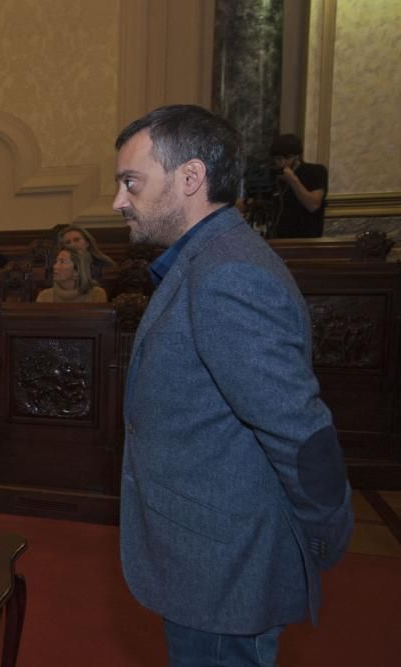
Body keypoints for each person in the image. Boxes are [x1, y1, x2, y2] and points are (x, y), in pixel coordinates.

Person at [112, 104, 352, 666]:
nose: (119, 201)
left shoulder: (228, 275)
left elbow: (300, 432)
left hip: (226, 566)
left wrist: (320, 538)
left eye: (131, 182)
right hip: (207, 556)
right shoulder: (208, 260)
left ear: (190, 178)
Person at [270, 133, 328, 238]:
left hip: (306, 240)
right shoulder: (271, 175)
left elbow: (313, 205)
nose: (282, 163)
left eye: (287, 158)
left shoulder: (316, 171)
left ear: (297, 156)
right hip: (276, 239)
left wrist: (293, 179)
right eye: (278, 158)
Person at [35, 246, 107, 303]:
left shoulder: (96, 294)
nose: (55, 266)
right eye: (56, 262)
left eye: (62, 262)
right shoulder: (45, 296)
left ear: (77, 271)